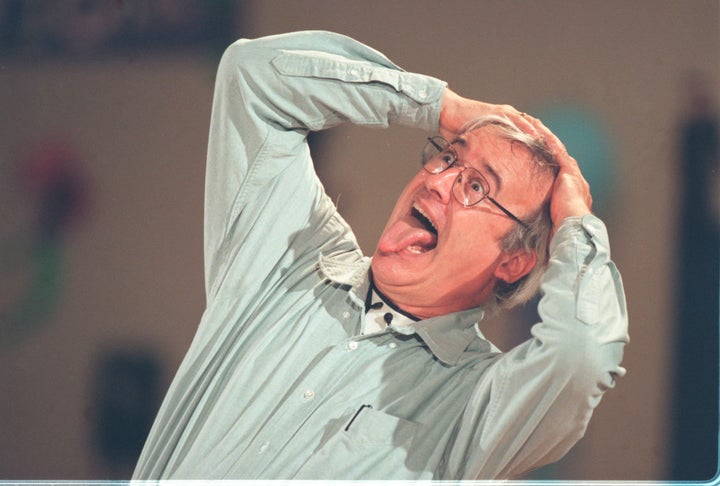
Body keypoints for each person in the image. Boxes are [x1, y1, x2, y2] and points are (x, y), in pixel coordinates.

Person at [133, 31, 628, 480]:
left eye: (477, 186)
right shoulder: (289, 259)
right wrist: (442, 107)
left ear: (514, 262)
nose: (438, 180)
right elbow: (252, 76)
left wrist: (576, 222)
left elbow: (581, 356)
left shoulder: (477, 405)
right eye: (449, 156)